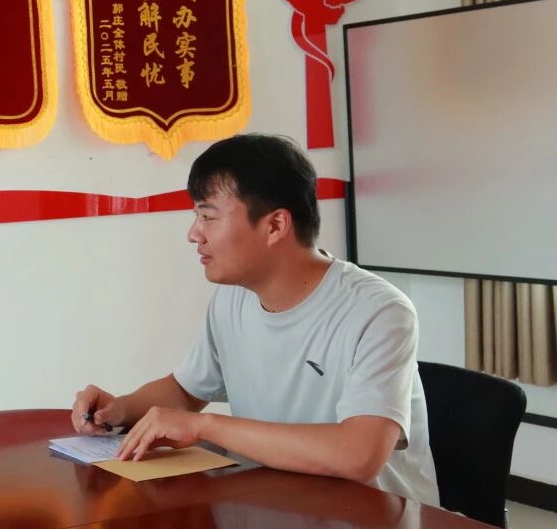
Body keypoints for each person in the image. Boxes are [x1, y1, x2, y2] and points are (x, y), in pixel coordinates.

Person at [71, 133, 439, 504]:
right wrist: (119, 409)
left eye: (208, 217)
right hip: (276, 510)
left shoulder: (379, 311)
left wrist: (205, 426)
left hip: (374, 524)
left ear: (275, 225)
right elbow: (185, 391)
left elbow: (358, 456)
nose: (193, 234)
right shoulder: (232, 297)